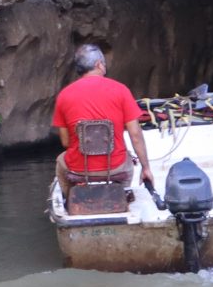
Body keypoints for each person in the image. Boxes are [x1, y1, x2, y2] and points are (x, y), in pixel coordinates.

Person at [52, 43, 154, 192]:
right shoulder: (121, 90)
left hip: (78, 170)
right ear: (99, 64)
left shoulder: (63, 96)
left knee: (61, 161)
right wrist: (146, 168)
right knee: (128, 160)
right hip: (116, 168)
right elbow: (135, 135)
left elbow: (66, 142)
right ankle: (119, 195)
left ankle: (71, 201)